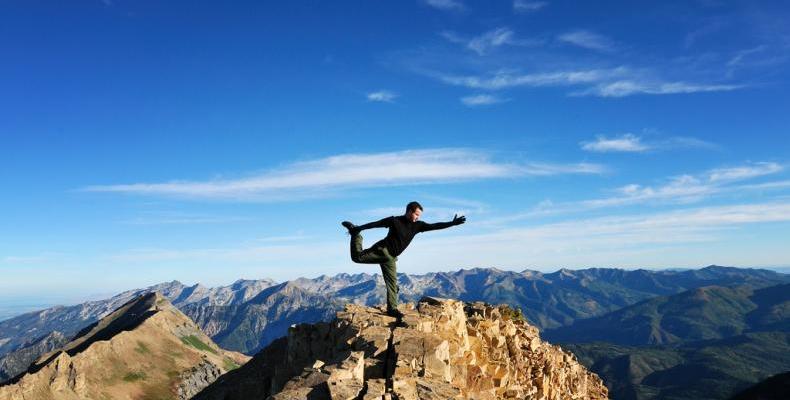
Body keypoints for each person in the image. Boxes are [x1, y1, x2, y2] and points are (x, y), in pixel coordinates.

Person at [341, 201, 466, 319]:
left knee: (392, 284)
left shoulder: (418, 226)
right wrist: (359, 228)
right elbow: (375, 224)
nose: (417, 217)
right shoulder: (394, 221)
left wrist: (452, 223)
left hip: (391, 258)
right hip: (382, 250)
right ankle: (356, 235)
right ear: (409, 211)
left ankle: (392, 309)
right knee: (357, 257)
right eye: (416, 214)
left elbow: (434, 226)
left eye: (419, 215)